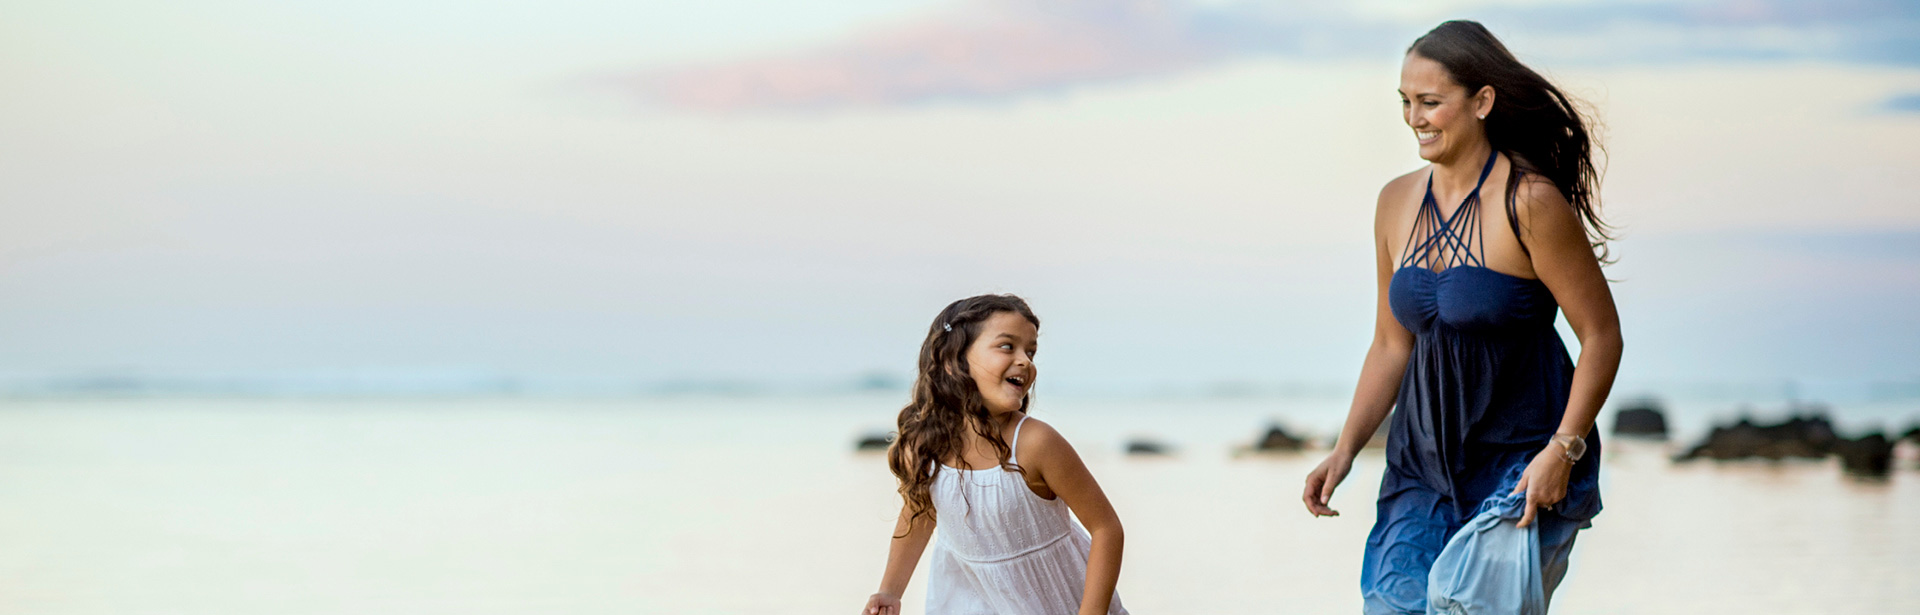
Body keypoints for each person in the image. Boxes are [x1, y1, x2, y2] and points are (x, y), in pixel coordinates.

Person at [1300, 20, 1623, 614]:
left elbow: (1602, 336)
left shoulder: (1529, 202)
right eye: (1405, 101)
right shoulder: (1395, 202)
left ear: (1481, 102)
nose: (1414, 117)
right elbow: (1389, 346)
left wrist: (1563, 450)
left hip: (1523, 463)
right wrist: (1344, 451)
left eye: (1430, 102)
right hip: (1420, 465)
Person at [862, 294, 1128, 615]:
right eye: (1007, 346)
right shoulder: (926, 443)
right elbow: (919, 513)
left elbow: (1106, 528)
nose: (1026, 361)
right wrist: (890, 590)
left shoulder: (1035, 443)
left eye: (1030, 352)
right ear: (953, 359)